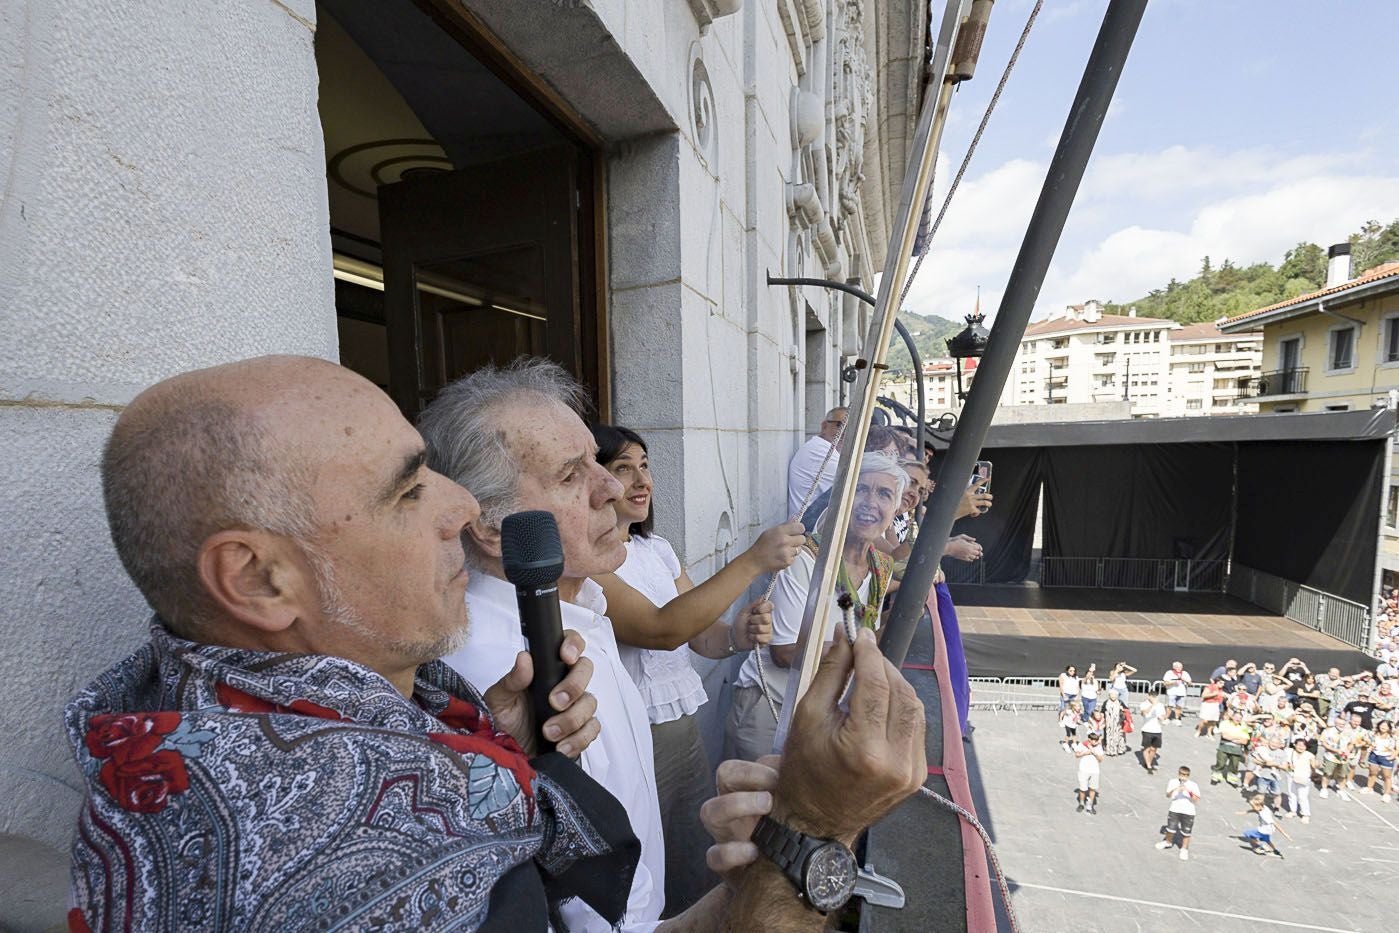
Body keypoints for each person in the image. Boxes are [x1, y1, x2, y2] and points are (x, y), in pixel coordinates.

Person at [66, 356, 929, 930]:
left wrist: (497, 766)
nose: (458, 511)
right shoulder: (338, 866)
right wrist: (813, 835)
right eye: (407, 492)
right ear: (257, 579)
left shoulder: (279, 724)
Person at [590, 423, 798, 914]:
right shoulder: (591, 565)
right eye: (623, 468)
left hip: (682, 734)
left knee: (689, 852)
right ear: (594, 483)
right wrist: (752, 561)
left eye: (645, 467)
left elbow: (701, 635)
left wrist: (737, 635)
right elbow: (661, 628)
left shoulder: (657, 550)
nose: (642, 481)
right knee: (640, 863)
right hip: (631, 736)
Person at [727, 453, 906, 762]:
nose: (870, 502)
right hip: (772, 708)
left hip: (823, 712)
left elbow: (862, 626)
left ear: (895, 510)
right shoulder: (806, 558)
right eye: (860, 489)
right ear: (841, 498)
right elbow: (784, 652)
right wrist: (864, 647)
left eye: (884, 494)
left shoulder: (881, 568)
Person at [787, 407, 846, 518]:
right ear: (824, 426)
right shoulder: (820, 450)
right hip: (804, 530)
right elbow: (854, 487)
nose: (845, 432)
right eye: (840, 425)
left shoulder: (827, 449)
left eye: (850, 428)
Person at [1156, 766, 1200, 861]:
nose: (1184, 777)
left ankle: (1184, 849)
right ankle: (1168, 842)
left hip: (1188, 811)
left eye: (1186, 775)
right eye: (1182, 774)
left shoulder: (1193, 785)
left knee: (1186, 832)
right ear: (1179, 774)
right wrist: (1176, 789)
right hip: (1174, 809)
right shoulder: (1173, 782)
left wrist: (1188, 790)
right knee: (1170, 829)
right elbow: (1168, 795)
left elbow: (1196, 799)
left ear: (1188, 776)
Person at [1239, 793, 1290, 858]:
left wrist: (1285, 834)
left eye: (1253, 806)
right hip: (1269, 830)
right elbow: (1255, 810)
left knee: (1247, 833)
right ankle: (1276, 851)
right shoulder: (1264, 807)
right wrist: (1246, 812)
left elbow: (1275, 824)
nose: (1252, 807)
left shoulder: (1264, 815)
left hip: (1263, 830)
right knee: (1267, 840)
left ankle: (1260, 847)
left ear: (1259, 805)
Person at [1213, 709, 1251, 786]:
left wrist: (1231, 737)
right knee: (1221, 762)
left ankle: (1231, 778)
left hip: (1236, 749)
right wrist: (1238, 737)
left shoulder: (1243, 726)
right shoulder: (1225, 723)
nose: (1237, 719)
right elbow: (1225, 736)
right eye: (1236, 717)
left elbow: (1245, 741)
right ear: (1232, 717)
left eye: (1240, 718)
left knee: (1234, 764)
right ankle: (1217, 775)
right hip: (1224, 746)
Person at [1364, 718, 1396, 801]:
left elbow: (1397, 749)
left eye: (1385, 726)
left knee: (1387, 777)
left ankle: (1386, 794)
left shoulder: (1393, 737)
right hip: (1374, 756)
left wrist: (1392, 756)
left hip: (1386, 757)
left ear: (1389, 728)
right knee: (1372, 773)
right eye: (1382, 725)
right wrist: (1370, 744)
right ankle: (1369, 788)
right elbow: (1366, 739)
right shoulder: (1373, 734)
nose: (1383, 727)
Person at [1073, 732, 1105, 815]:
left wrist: (1094, 752)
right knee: (1083, 788)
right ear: (1089, 740)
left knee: (1093, 788)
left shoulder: (1098, 747)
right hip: (1083, 769)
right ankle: (1081, 804)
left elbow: (1101, 760)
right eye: (1094, 741)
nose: (1095, 742)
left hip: (1095, 771)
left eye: (1096, 740)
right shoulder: (1082, 744)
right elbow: (1076, 755)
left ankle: (1090, 805)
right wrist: (1085, 753)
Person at [1286, 737, 1316, 823]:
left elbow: (1314, 766)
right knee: (1292, 794)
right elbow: (1286, 762)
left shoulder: (1309, 755)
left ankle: (1305, 814)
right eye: (1299, 745)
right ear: (1294, 745)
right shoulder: (1289, 752)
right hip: (1291, 775)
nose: (1301, 747)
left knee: (1303, 796)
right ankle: (1293, 811)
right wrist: (1288, 766)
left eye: (1303, 746)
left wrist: (1315, 768)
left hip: (1304, 777)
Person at [1138, 695, 1166, 773]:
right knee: (1146, 748)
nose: (1154, 699)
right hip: (1147, 729)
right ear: (1149, 696)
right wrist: (1152, 705)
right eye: (1153, 697)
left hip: (1157, 730)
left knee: (1154, 749)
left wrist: (1162, 718)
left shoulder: (1160, 705)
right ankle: (1149, 766)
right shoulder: (1144, 704)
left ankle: (1148, 763)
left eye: (1155, 697)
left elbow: (1163, 716)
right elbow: (1143, 713)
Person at [1102, 691, 1129, 757]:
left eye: (1115, 695)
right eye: (1112, 695)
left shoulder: (1120, 702)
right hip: (1109, 723)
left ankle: (1120, 749)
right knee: (1109, 736)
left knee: (1119, 736)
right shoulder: (1106, 702)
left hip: (1118, 723)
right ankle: (1110, 750)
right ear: (1109, 695)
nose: (1113, 696)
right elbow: (1102, 711)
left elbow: (1127, 710)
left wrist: (1122, 709)